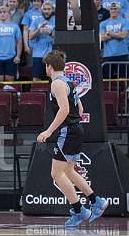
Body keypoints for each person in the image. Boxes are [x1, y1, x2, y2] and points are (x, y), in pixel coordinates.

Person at [37, 50, 108, 226]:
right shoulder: (69, 82)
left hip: (68, 131)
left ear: (50, 66)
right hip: (76, 130)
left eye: (45, 66)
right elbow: (81, 109)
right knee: (68, 171)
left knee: (56, 173)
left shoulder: (57, 84)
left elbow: (64, 110)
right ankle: (96, 201)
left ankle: (79, 211)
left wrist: (49, 131)